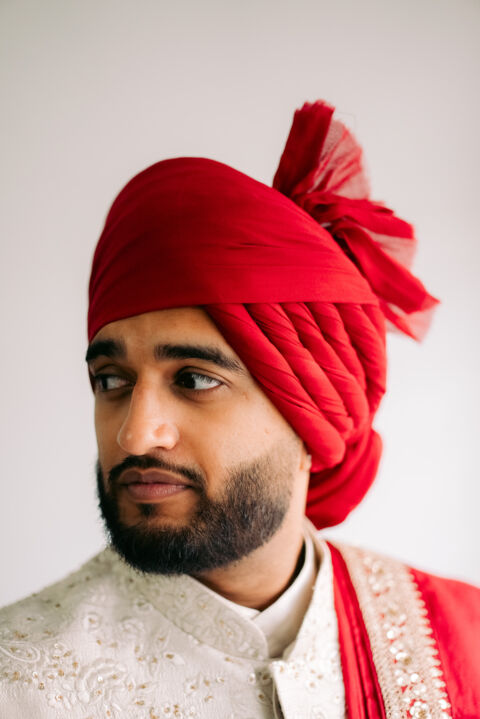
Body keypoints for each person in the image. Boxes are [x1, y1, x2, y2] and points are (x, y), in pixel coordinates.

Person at [0, 100, 478, 719]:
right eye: (112, 380)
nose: (134, 434)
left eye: (195, 379)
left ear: (310, 418)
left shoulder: (462, 642)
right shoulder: (19, 682)